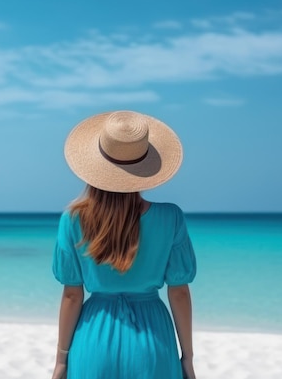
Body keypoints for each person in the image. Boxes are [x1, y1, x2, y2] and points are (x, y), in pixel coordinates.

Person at [51, 110, 197, 379]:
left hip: (93, 338)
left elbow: (72, 296)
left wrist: (61, 360)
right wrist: (187, 358)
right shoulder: (170, 217)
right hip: (154, 339)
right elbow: (179, 294)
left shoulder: (72, 220)